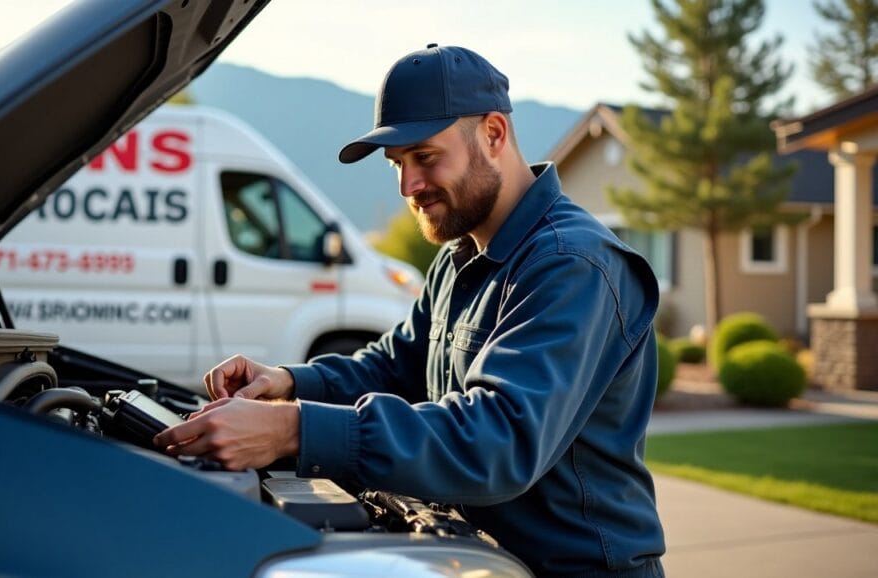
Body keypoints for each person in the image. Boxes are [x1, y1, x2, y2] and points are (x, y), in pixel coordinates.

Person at [155, 44, 666, 577]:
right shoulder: (459, 258)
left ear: (493, 134)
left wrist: (292, 429)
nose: (408, 187)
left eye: (424, 157)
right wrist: (286, 384)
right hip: (477, 561)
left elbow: (497, 440)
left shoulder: (572, 264)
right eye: (398, 165)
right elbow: (392, 366)